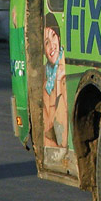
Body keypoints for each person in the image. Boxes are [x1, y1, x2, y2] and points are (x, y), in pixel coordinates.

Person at [42, 13, 68, 148]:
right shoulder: (47, 76)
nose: (52, 45)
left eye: (53, 36)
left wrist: (58, 81)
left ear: (58, 37)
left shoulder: (64, 70)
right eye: (47, 43)